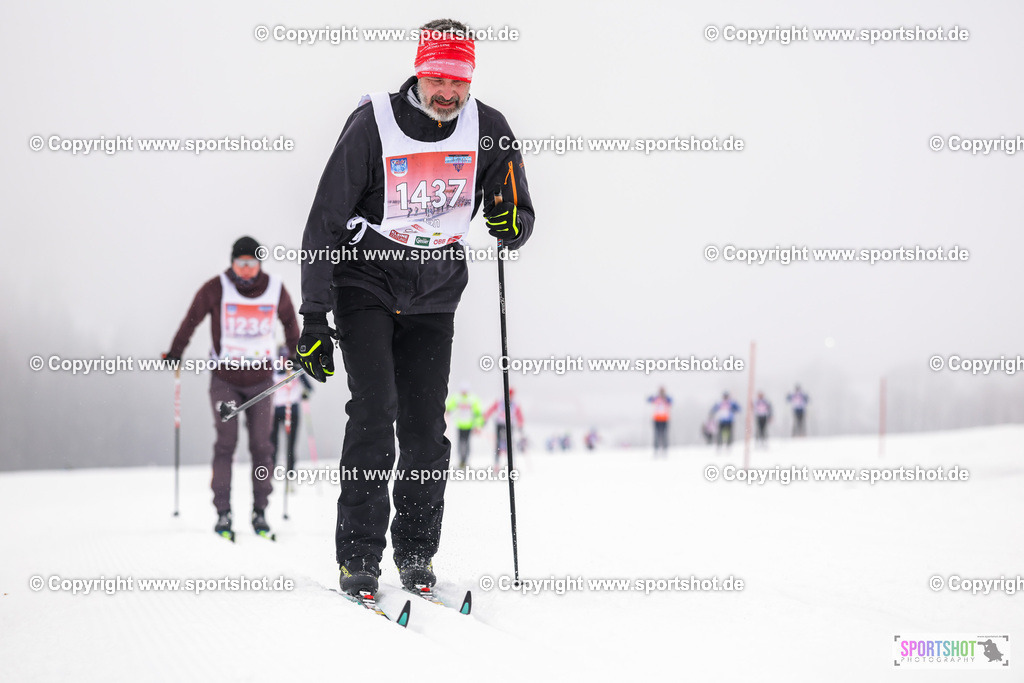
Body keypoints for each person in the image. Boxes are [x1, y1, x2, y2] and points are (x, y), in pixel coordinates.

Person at [295, 19, 535, 597]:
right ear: (419, 71)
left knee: (425, 430)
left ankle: (416, 553)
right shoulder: (372, 124)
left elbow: (519, 216)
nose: (447, 93)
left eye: (458, 80)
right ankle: (359, 558)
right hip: (366, 282)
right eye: (437, 79)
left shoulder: (490, 129)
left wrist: (511, 223)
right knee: (375, 414)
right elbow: (325, 219)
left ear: (470, 77)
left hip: (434, 295)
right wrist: (313, 316)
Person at [164, 236, 300, 539]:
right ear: (233, 262)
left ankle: (260, 511)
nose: (247, 270)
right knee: (226, 443)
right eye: (241, 263)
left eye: (252, 263)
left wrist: (296, 354)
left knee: (262, 446)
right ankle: (223, 512)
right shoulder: (217, 287)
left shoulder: (275, 288)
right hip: (225, 381)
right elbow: (192, 320)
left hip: (262, 382)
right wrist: (176, 352)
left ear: (260, 263)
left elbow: (290, 322)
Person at [270, 345, 313, 482]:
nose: (283, 360)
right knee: (272, 444)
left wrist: (305, 394)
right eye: (281, 357)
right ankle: (271, 473)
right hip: (274, 412)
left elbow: (309, 388)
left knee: (290, 445)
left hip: (292, 410)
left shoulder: (296, 369)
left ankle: (290, 475)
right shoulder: (273, 370)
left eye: (286, 357)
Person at [484, 388, 525, 470]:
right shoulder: (499, 402)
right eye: (509, 394)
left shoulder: (515, 404)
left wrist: (520, 424)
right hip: (500, 424)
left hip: (509, 425)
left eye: (511, 395)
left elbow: (519, 415)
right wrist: (485, 418)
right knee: (498, 444)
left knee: (509, 444)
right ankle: (497, 464)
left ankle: (510, 463)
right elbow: (491, 409)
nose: (510, 396)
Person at [445, 384, 484, 469]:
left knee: (466, 443)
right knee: (461, 442)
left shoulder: (472, 399)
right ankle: (462, 460)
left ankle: (465, 459)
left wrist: (478, 425)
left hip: (469, 425)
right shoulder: (457, 398)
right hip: (460, 425)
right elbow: (450, 406)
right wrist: (447, 410)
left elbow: (477, 413)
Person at [647, 387, 672, 456]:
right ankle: (656, 449)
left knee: (664, 435)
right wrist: (651, 397)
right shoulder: (656, 398)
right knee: (657, 435)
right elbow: (648, 400)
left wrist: (665, 399)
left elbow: (671, 401)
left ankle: (665, 449)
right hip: (657, 419)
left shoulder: (666, 399)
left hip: (665, 419)